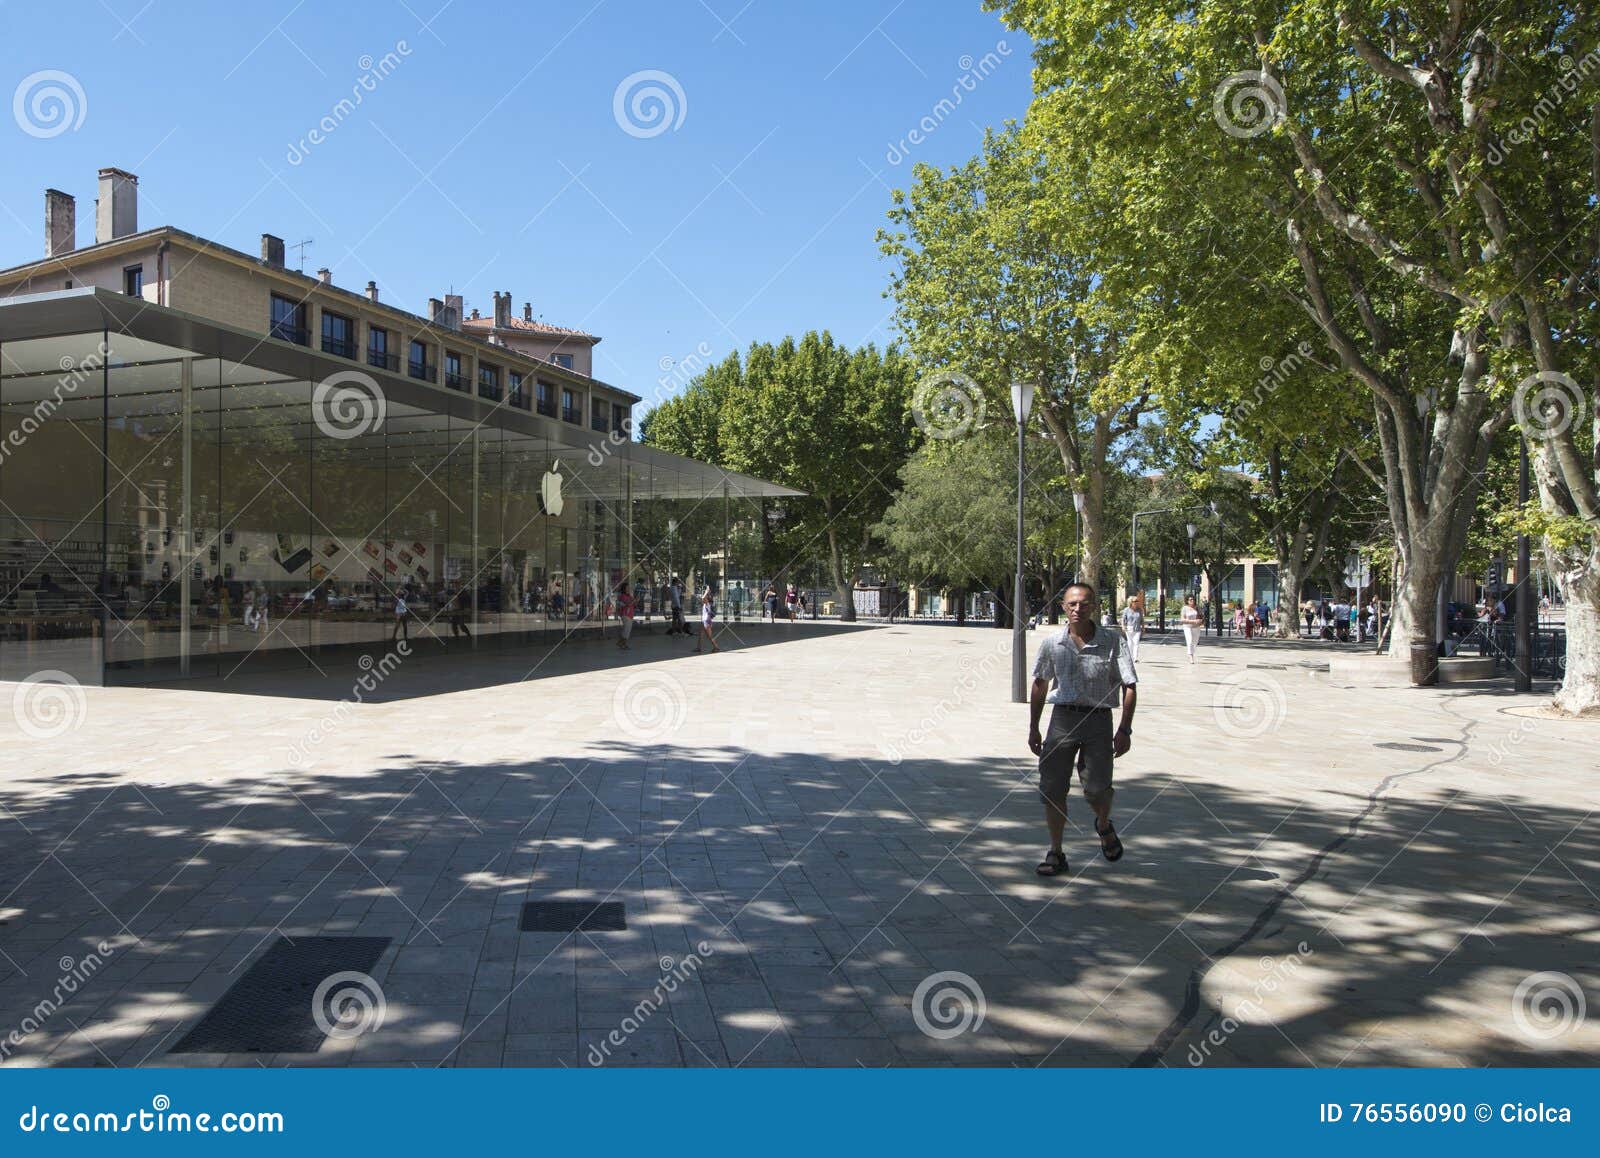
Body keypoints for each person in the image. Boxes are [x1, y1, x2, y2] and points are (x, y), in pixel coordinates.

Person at [1027, 583, 1137, 876]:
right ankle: (1056, 851)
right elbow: (1040, 683)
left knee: (1098, 790)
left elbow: (1129, 686)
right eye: (1072, 604)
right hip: (1062, 719)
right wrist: (1034, 728)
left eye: (1084, 604)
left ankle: (1103, 823)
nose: (1078, 609)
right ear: (1063, 606)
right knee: (1052, 789)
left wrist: (1125, 729)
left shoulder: (1113, 641)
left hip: (1099, 721)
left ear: (1094, 607)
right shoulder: (1053, 643)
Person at [692, 587, 720, 654]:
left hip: (706, 620)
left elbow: (703, 598)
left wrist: (706, 591)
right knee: (701, 634)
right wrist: (707, 592)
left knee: (709, 636)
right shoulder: (706, 603)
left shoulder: (707, 603)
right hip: (705, 620)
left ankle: (716, 647)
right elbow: (702, 598)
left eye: (707, 597)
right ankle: (699, 647)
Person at [1120, 592, 1145, 663]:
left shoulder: (1139, 610)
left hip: (1137, 629)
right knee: (1130, 643)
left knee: (1136, 643)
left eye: (1137, 601)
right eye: (1136, 601)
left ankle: (1135, 658)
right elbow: (1123, 619)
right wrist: (1123, 626)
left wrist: (1143, 628)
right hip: (1129, 628)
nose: (1137, 602)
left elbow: (1142, 620)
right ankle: (1129, 657)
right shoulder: (1126, 610)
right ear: (1131, 602)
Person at [1180, 593, 1203, 663]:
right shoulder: (1184, 608)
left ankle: (1191, 652)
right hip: (1187, 627)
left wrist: (1200, 621)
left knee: (1195, 642)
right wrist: (1192, 621)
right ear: (1187, 600)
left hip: (1196, 627)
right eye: (1190, 599)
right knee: (1189, 641)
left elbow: (1201, 617)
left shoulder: (1197, 607)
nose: (1192, 601)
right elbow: (1182, 619)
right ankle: (1191, 656)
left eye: (1193, 599)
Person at [616, 581, 636, 650]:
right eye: (627, 587)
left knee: (627, 630)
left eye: (629, 587)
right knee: (626, 630)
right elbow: (628, 604)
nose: (628, 589)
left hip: (630, 614)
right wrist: (633, 601)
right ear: (624, 588)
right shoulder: (622, 596)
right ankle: (623, 644)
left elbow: (633, 603)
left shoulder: (629, 596)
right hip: (625, 614)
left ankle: (621, 642)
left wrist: (636, 600)